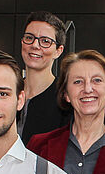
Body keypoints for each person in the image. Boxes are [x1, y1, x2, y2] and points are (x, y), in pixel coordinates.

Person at [20, 11, 71, 144]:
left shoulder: (65, 99)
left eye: (45, 41)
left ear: (58, 51)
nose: (35, 45)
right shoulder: (6, 92)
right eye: (29, 38)